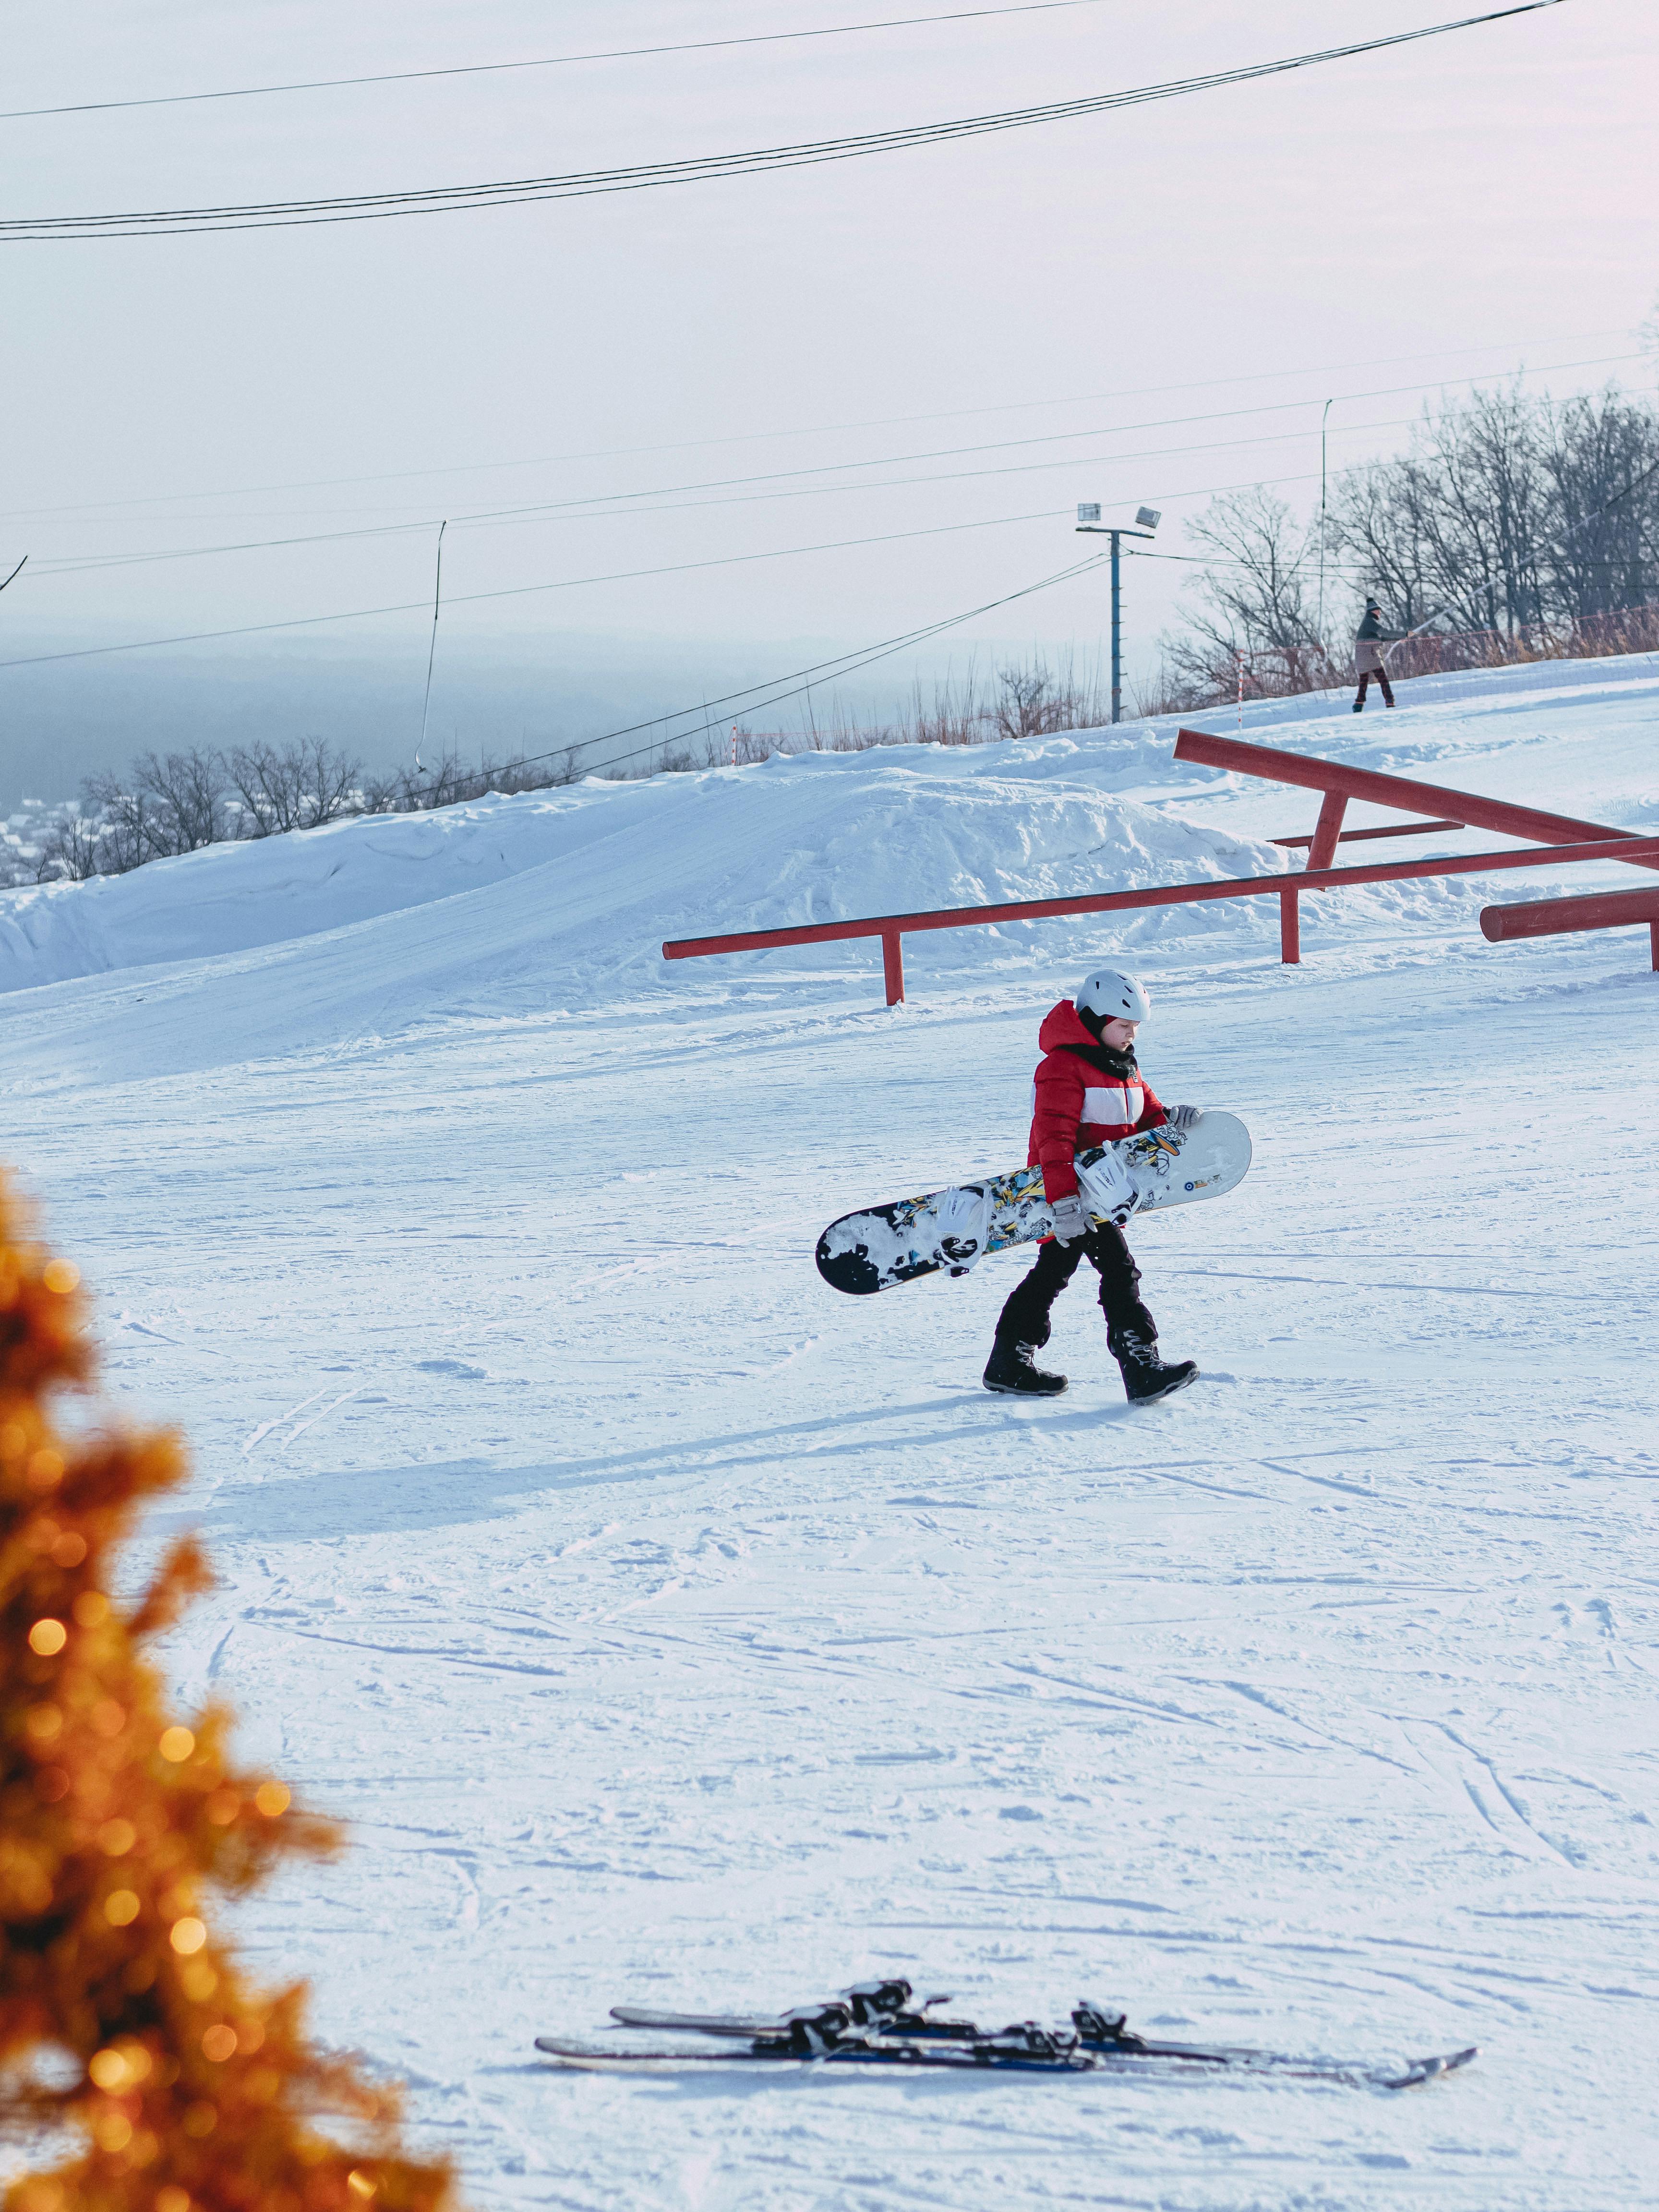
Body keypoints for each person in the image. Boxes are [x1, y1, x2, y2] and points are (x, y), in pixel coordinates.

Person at [983, 968, 1199, 1404]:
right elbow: (1053, 1139)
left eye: (1136, 1026)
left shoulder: (1124, 1067)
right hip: (1070, 1195)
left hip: (1102, 1194)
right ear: (1097, 1020)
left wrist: (1172, 1123)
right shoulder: (1060, 1068)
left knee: (1053, 1273)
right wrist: (1063, 1203)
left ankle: (1008, 1361)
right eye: (1124, 1025)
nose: (1132, 1033)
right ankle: (1140, 1367)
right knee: (1119, 1272)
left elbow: (1147, 1120)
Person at [1353, 597, 1407, 711]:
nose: (1380, 612)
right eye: (1378, 610)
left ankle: (1358, 704)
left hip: (1362, 657)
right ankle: (1390, 702)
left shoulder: (1368, 623)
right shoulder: (1370, 622)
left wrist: (1399, 638)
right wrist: (1405, 634)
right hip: (1370, 655)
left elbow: (1381, 638)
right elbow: (1385, 632)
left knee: (1364, 681)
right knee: (1383, 680)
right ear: (1371, 611)